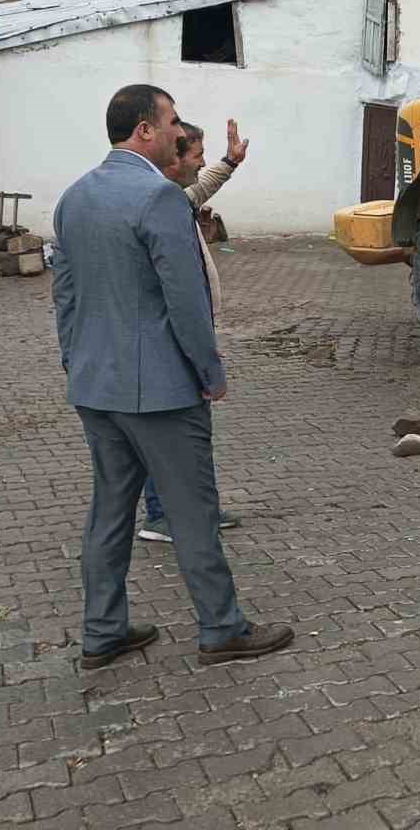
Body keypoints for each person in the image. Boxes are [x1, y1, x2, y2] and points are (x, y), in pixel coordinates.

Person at [51, 84, 291, 669]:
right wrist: (211, 372)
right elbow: (186, 302)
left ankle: (102, 632)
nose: (181, 131)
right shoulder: (158, 199)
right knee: (193, 511)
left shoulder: (73, 197)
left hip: (95, 386)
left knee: (109, 513)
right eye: (172, 120)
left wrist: (74, 360)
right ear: (145, 131)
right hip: (160, 392)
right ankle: (222, 628)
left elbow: (64, 292)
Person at [138, 118, 249, 544]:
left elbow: (203, 189)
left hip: (185, 337)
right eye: (197, 158)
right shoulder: (159, 205)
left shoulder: (177, 198)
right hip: (171, 340)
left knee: (191, 435)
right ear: (175, 160)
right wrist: (207, 362)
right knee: (165, 434)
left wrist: (230, 162)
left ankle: (197, 509)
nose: (202, 167)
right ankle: (160, 515)